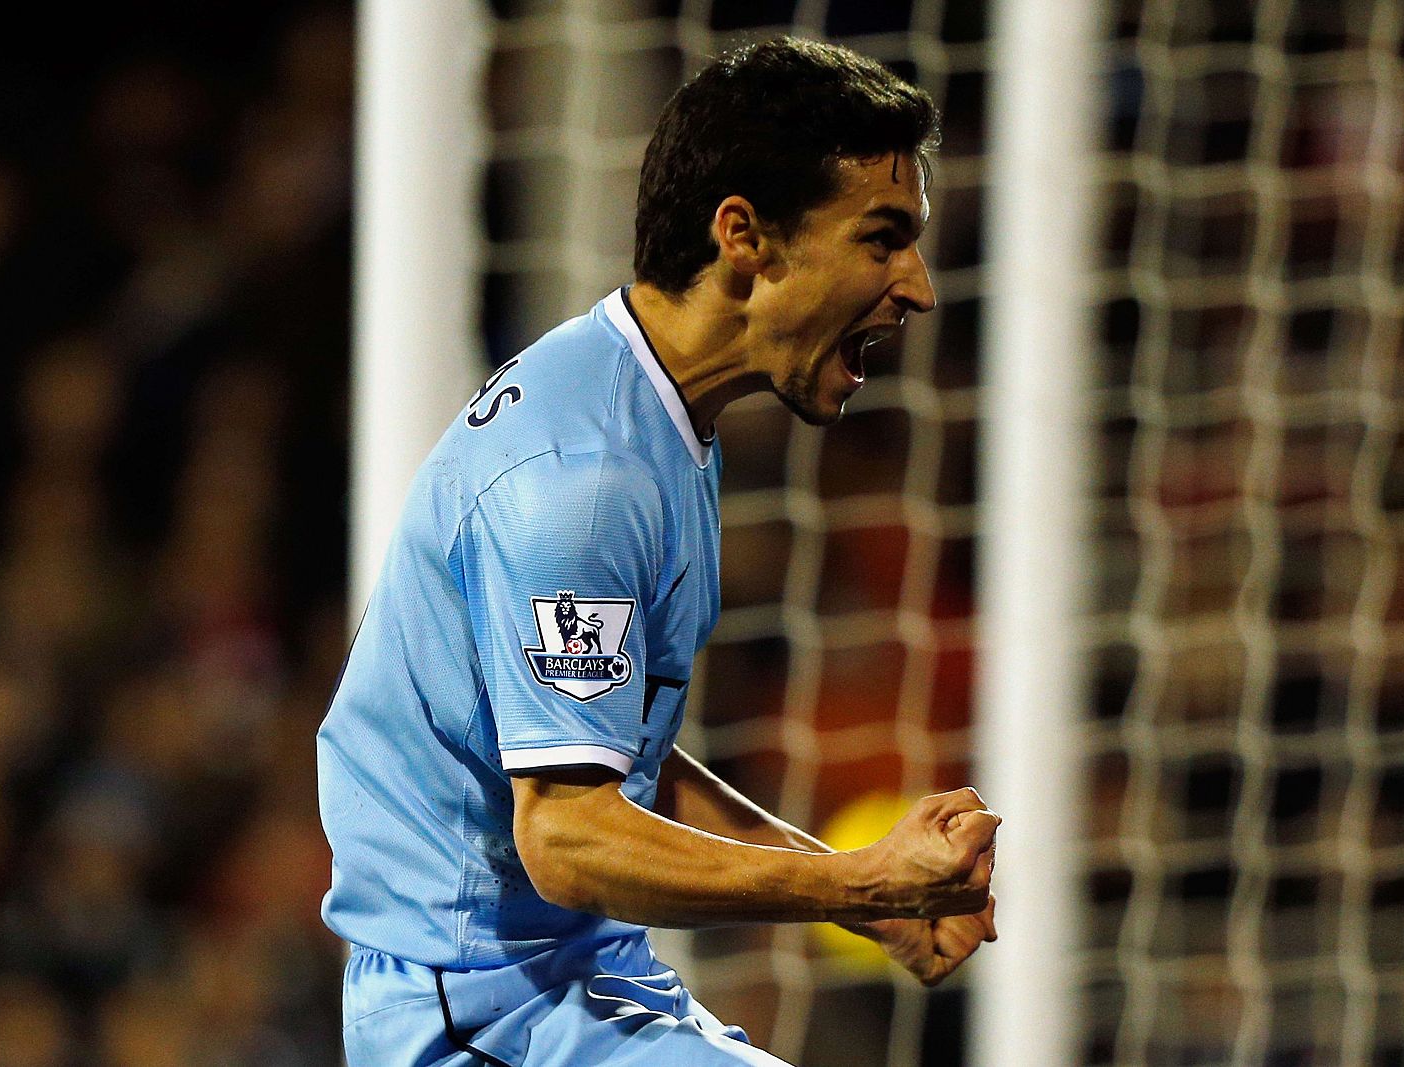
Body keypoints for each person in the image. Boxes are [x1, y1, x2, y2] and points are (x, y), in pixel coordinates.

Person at [317, 36, 999, 1067]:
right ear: (745, 238)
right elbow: (568, 836)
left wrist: (868, 899)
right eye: (881, 238)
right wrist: (857, 880)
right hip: (480, 1011)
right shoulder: (583, 479)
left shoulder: (642, 407)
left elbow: (605, 757)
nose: (916, 286)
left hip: (570, 981)